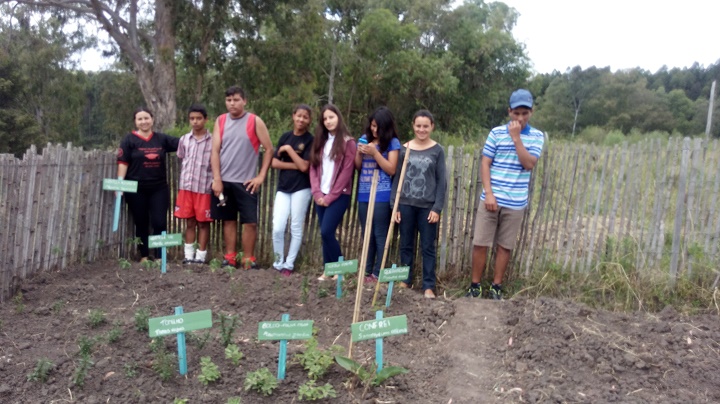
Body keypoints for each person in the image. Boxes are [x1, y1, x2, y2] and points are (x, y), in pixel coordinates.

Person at [465, 89, 545, 300]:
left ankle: (496, 286)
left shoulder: (537, 136)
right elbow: (485, 162)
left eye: (525, 113)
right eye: (516, 113)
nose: (520, 118)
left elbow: (529, 164)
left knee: (505, 246)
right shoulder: (496, 133)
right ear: (509, 111)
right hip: (491, 198)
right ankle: (475, 285)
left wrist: (516, 138)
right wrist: (489, 193)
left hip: (516, 202)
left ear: (531, 112)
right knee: (480, 242)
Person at [210, 86, 274, 269]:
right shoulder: (221, 121)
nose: (232, 103)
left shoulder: (254, 121)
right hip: (224, 181)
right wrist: (217, 178)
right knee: (228, 220)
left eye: (236, 99)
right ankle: (230, 258)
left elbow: (269, 149)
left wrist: (260, 176)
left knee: (250, 222)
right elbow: (215, 150)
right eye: (229, 100)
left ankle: (248, 259)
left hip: (246, 182)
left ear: (244, 101)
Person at [392, 110, 447, 299]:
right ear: (413, 126)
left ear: (432, 127)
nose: (421, 129)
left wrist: (437, 208)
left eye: (425, 126)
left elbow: (442, 181)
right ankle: (405, 280)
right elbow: (397, 178)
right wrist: (395, 205)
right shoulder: (404, 149)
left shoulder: (437, 150)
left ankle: (428, 285)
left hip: (427, 207)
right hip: (406, 203)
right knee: (406, 244)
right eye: (418, 126)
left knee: (427, 247)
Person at [117, 107, 179, 261]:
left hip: (158, 188)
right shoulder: (128, 140)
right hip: (135, 188)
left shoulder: (162, 139)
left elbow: (184, 143)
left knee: (159, 221)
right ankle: (144, 255)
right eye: (140, 119)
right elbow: (123, 163)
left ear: (152, 119)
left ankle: (160, 256)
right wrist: (120, 185)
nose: (144, 122)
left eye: (146, 118)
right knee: (141, 221)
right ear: (135, 122)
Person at [309, 105, 357, 281]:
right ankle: (328, 270)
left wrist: (330, 197)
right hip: (320, 195)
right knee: (324, 232)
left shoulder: (348, 142)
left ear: (339, 117)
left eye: (331, 117)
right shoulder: (320, 141)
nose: (328, 121)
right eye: (325, 119)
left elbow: (346, 172)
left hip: (339, 196)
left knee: (327, 231)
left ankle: (340, 269)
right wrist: (317, 194)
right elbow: (312, 168)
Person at [354, 107, 401, 283]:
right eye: (373, 126)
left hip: (382, 193)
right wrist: (359, 152)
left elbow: (391, 168)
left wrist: (375, 153)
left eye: (378, 127)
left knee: (379, 233)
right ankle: (366, 271)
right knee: (367, 233)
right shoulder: (364, 139)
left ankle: (378, 272)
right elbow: (358, 166)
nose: (374, 130)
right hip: (363, 193)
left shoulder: (392, 143)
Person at [271, 105, 315, 276]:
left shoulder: (310, 140)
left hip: (302, 188)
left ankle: (288, 265)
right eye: (299, 116)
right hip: (283, 188)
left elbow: (305, 167)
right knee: (278, 227)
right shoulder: (285, 136)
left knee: (295, 227)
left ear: (309, 120)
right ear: (293, 116)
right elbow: (274, 163)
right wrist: (296, 164)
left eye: (305, 117)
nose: (301, 120)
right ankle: (277, 262)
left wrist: (289, 150)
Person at [174, 104, 213, 265]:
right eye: (192, 118)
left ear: (205, 120)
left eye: (198, 118)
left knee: (203, 223)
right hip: (187, 188)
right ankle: (188, 256)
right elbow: (182, 157)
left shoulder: (213, 141)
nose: (195, 122)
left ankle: (201, 257)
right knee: (189, 222)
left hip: (204, 188)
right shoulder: (184, 139)